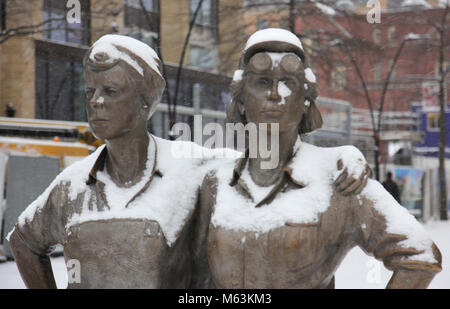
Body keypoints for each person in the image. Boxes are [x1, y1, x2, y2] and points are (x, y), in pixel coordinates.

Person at [191, 28, 441, 289]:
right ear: (241, 101)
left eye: (288, 83)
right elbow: (196, 276)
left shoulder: (339, 182)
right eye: (262, 82)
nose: (275, 94)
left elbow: (420, 257)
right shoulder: (214, 183)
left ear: (306, 103)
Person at [6, 35, 227, 288]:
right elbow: (24, 243)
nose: (95, 101)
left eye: (110, 91)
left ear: (145, 102)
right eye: (90, 91)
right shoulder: (72, 185)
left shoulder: (191, 169)